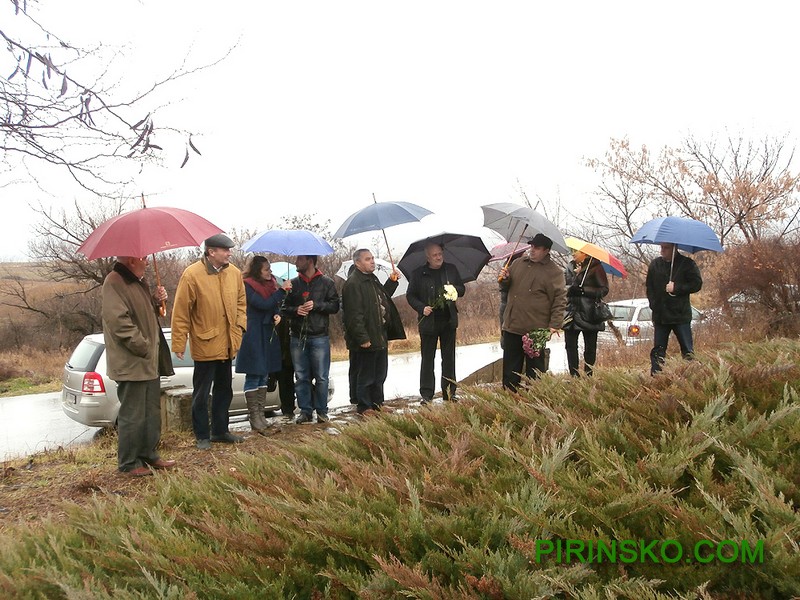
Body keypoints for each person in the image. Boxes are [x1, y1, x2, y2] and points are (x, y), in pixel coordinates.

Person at [101, 256, 176, 476]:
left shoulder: (138, 282)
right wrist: (143, 346)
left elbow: (144, 314)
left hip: (148, 363)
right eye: (142, 257)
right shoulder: (114, 282)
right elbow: (119, 321)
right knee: (132, 414)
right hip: (132, 362)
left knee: (150, 412)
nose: (146, 260)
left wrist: (154, 300)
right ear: (131, 260)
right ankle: (129, 463)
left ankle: (148, 455)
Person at [171, 233, 247, 449]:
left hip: (228, 343)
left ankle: (221, 431)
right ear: (211, 252)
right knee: (202, 394)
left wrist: (240, 326)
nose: (229, 253)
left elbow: (242, 302)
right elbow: (181, 312)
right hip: (205, 343)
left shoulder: (234, 273)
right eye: (225, 250)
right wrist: (178, 343)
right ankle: (202, 436)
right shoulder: (192, 275)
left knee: (225, 390)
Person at [498, 233, 567, 392]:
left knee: (535, 375)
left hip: (535, 331)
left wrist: (554, 325)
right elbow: (506, 289)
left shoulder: (554, 272)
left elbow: (560, 299)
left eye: (537, 247)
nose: (533, 250)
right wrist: (505, 279)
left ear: (546, 250)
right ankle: (509, 403)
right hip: (512, 326)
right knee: (510, 373)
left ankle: (534, 406)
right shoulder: (516, 263)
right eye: (532, 246)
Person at [342, 248, 406, 415]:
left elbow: (382, 299)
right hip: (366, 337)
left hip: (379, 334)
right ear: (358, 263)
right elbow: (353, 315)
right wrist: (362, 337)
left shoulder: (372, 279)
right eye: (368, 259)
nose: (372, 261)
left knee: (379, 373)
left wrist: (392, 282)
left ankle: (377, 403)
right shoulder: (353, 283)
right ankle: (364, 407)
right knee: (366, 375)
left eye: (372, 258)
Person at [235, 256, 292, 433]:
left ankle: (261, 418)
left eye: (270, 269)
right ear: (257, 270)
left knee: (264, 374)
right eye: (266, 269)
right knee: (254, 374)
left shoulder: (271, 284)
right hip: (253, 334)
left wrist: (277, 315)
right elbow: (261, 303)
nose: (270, 272)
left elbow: (273, 306)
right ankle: (255, 418)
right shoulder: (248, 284)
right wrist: (281, 291)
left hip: (267, 332)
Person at [282, 255, 339, 424]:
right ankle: (305, 411)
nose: (296, 262)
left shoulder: (327, 282)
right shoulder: (292, 284)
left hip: (319, 335)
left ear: (310, 261)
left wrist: (317, 305)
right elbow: (283, 308)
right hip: (297, 336)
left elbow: (335, 306)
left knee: (322, 377)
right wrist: (295, 310)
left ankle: (322, 411)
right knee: (301, 377)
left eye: (299, 259)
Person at [406, 242, 466, 404]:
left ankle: (449, 392)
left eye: (440, 254)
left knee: (449, 358)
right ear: (428, 257)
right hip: (428, 322)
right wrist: (421, 308)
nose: (439, 257)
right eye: (435, 255)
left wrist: (454, 290)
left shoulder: (450, 269)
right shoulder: (418, 274)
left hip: (448, 320)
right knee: (427, 359)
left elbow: (462, 289)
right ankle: (426, 395)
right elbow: (410, 295)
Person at [646, 242, 703, 375]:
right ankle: (656, 378)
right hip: (660, 316)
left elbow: (697, 284)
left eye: (666, 248)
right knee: (658, 351)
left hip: (680, 315)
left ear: (674, 248)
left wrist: (677, 288)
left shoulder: (687, 264)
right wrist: (653, 305)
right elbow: (649, 287)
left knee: (687, 350)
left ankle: (692, 376)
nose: (662, 251)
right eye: (661, 247)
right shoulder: (655, 265)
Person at [563, 249, 609, 377]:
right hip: (571, 312)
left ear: (585, 253)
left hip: (589, 313)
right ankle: (574, 375)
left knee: (590, 347)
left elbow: (604, 289)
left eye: (576, 252)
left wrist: (583, 290)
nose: (573, 254)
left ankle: (589, 374)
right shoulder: (570, 267)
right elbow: (563, 285)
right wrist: (571, 284)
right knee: (570, 345)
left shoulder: (596, 267)